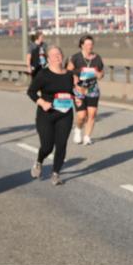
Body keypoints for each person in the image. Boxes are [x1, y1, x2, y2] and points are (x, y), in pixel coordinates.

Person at [27, 45, 81, 185]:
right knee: (47, 146)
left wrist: (78, 97)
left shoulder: (69, 75)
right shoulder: (43, 74)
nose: (57, 57)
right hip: (47, 114)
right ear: (48, 59)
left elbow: (74, 92)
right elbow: (31, 92)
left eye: (59, 54)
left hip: (65, 114)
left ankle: (55, 173)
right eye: (54, 55)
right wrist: (42, 102)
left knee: (61, 145)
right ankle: (39, 161)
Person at [67, 35, 104, 145]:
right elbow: (68, 70)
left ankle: (87, 137)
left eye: (91, 44)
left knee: (92, 114)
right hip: (78, 89)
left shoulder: (97, 58)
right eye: (87, 44)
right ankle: (78, 129)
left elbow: (101, 73)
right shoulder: (76, 58)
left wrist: (99, 74)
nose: (90, 46)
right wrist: (74, 77)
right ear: (82, 45)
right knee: (82, 115)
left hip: (92, 89)